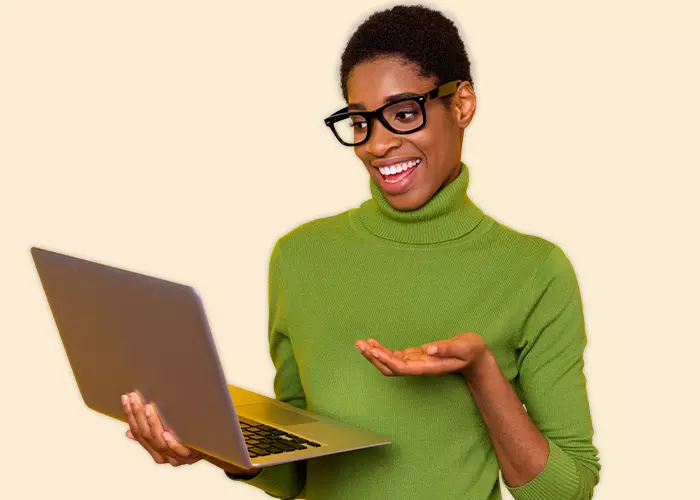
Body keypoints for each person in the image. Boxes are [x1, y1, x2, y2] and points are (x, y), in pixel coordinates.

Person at [120, 4, 601, 499]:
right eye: (359, 121)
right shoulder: (299, 257)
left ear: (462, 105)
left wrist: (482, 373)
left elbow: (567, 492)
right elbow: (296, 473)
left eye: (404, 113)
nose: (377, 144)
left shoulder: (534, 271)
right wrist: (214, 442)